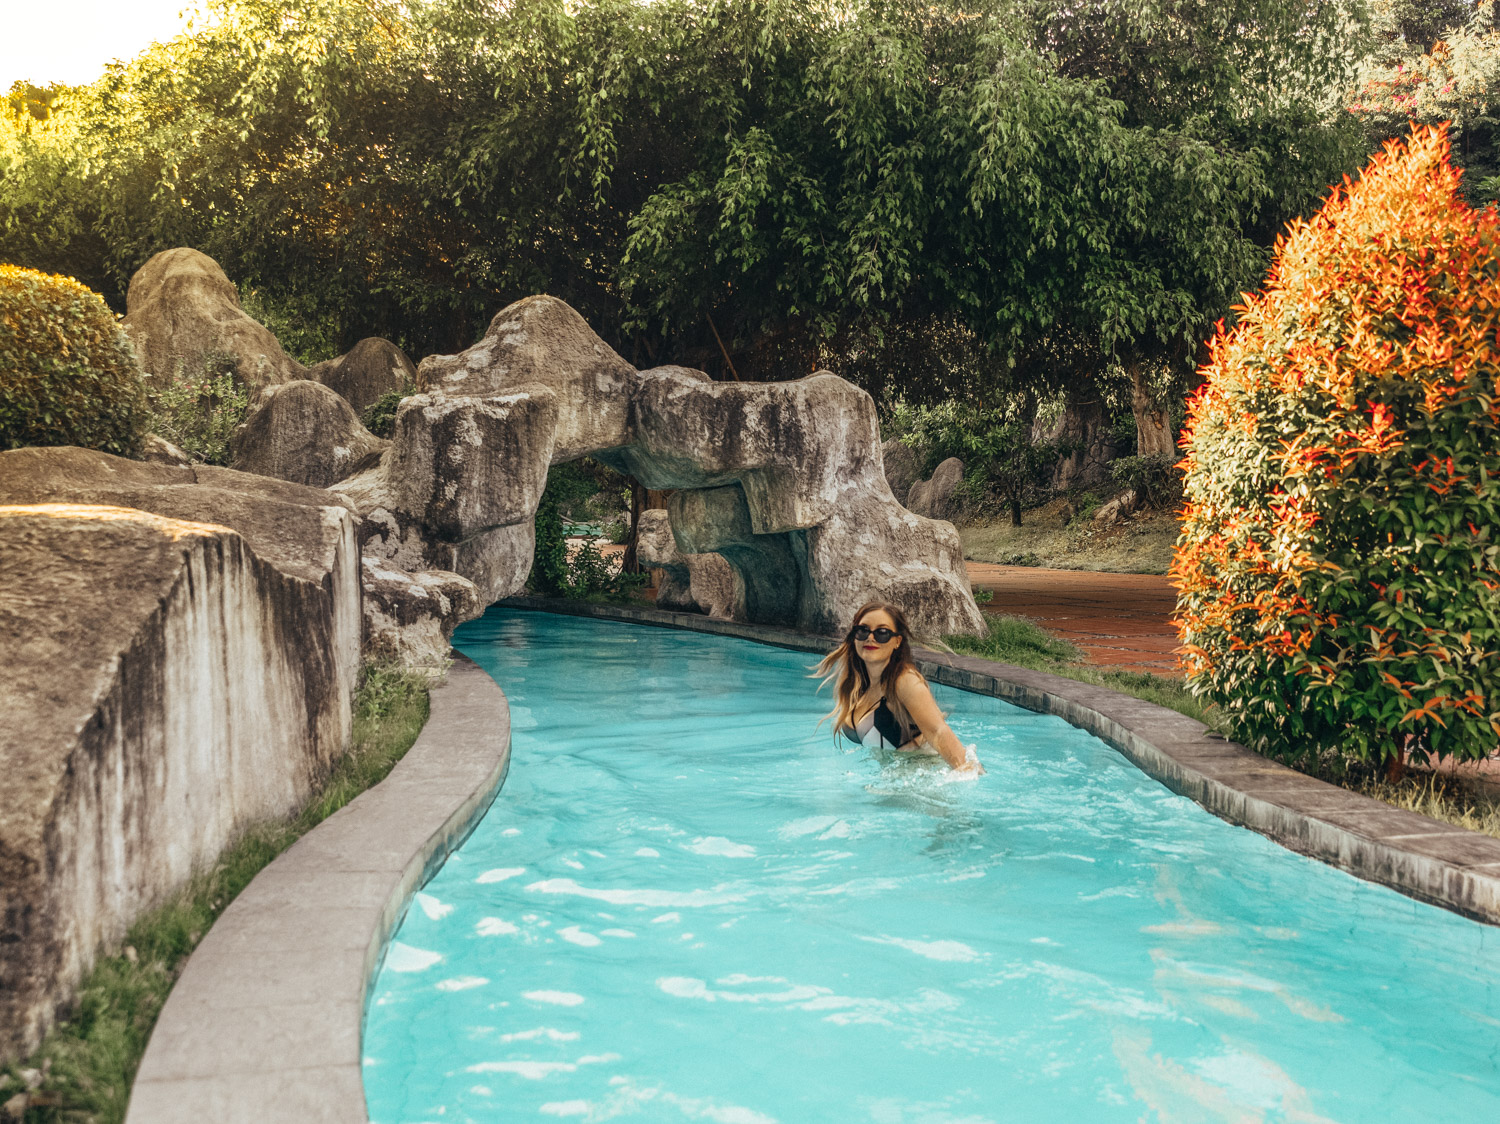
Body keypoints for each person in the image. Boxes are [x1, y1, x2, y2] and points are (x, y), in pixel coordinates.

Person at [814, 600, 982, 773]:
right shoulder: (857, 686)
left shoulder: (904, 681)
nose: (870, 638)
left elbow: (938, 731)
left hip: (923, 786)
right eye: (863, 630)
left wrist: (968, 771)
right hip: (891, 787)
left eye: (882, 632)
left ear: (897, 641)